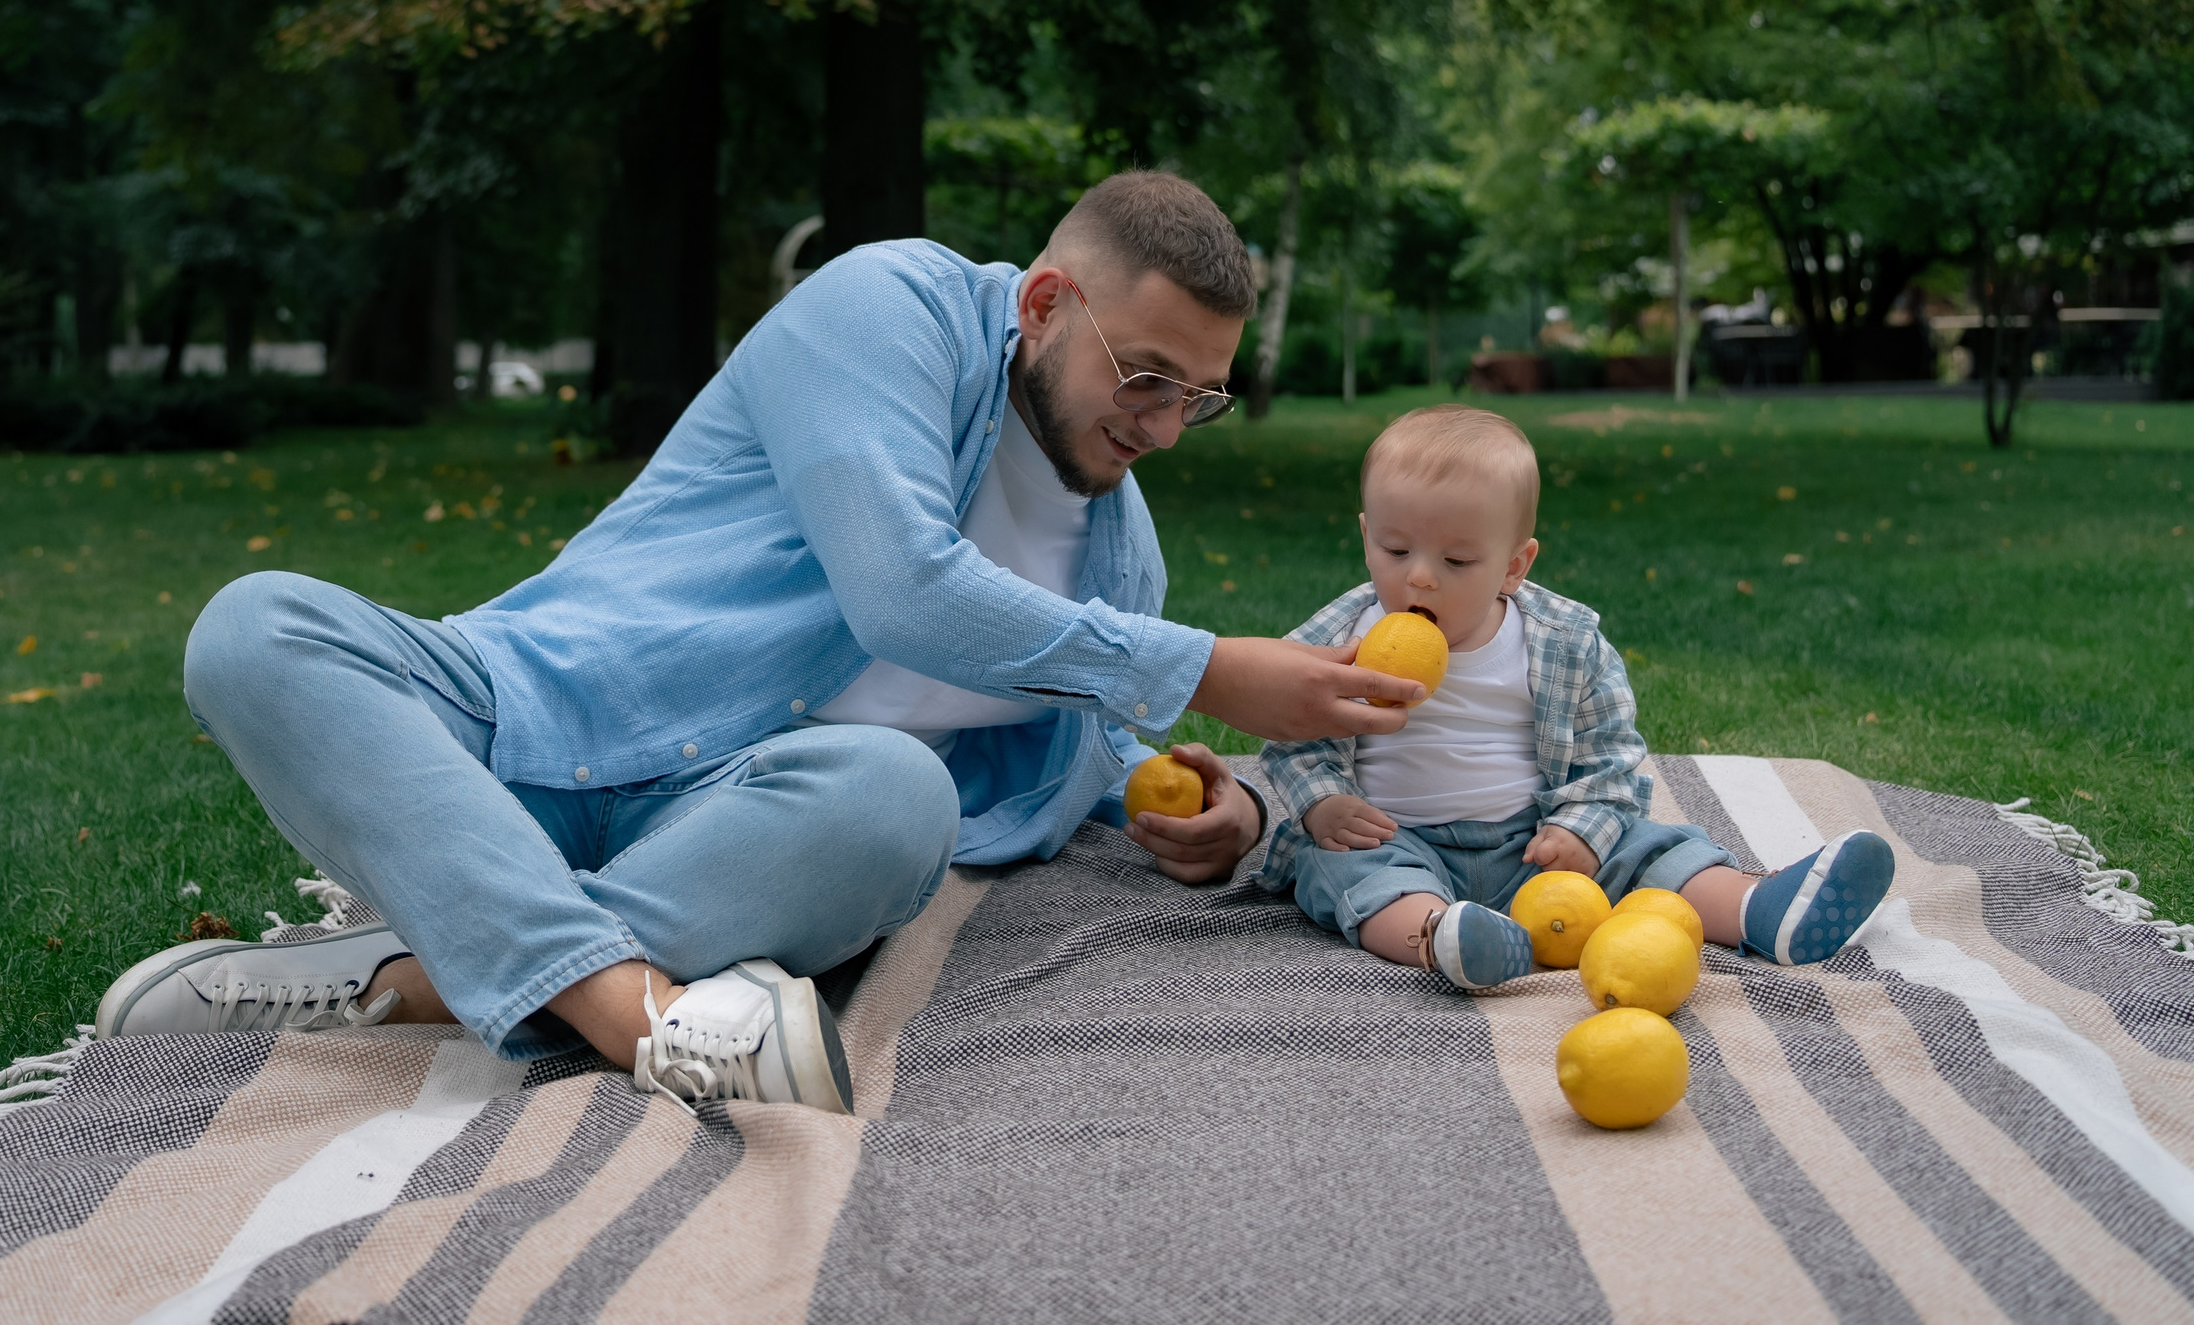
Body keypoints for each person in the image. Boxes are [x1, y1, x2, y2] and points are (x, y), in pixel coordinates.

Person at [93, 172, 1435, 1114]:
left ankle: (421, 973)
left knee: (894, 792)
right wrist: (1207, 660)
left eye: (1198, 399)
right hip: (529, 715)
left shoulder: (1120, 550)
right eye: (1143, 375)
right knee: (257, 625)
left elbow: (1088, 751)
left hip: (730, 827)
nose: (1157, 423)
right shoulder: (889, 305)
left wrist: (1215, 799)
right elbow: (904, 594)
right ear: (1042, 304)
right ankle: (635, 1011)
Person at [1246, 404, 1894, 987]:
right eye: (1394, 547)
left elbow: (1609, 755)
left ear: (1513, 564)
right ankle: (1442, 937)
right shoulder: (1338, 637)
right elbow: (1293, 728)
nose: (1419, 575)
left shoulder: (1563, 639)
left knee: (1645, 846)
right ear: (1366, 534)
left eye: (1457, 561)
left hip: (1536, 842)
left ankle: (1758, 907)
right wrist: (1325, 802)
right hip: (1397, 838)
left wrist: (1579, 829)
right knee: (1339, 870)